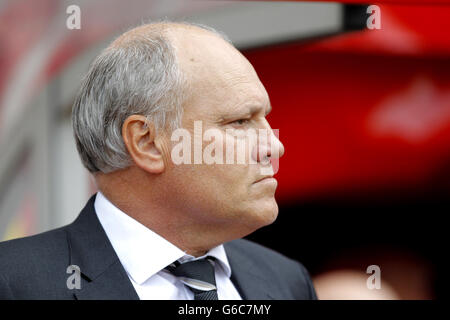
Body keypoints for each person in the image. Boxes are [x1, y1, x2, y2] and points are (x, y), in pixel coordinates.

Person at [0, 21, 317, 300]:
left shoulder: (286, 280)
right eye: (240, 122)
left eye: (264, 119)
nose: (274, 146)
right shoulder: (13, 283)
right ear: (147, 143)